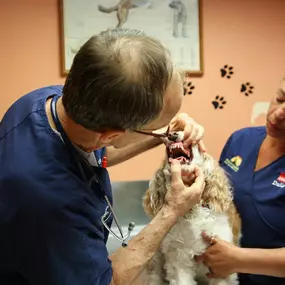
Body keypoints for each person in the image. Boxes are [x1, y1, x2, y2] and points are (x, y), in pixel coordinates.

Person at [0, 28, 206, 285]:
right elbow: (106, 281)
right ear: (110, 135)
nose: (158, 131)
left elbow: (100, 151)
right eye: (154, 127)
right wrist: (172, 210)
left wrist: (165, 135)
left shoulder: (57, 101)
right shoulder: (51, 204)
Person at [197, 77, 285, 285]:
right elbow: (217, 200)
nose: (279, 113)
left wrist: (238, 259)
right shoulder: (241, 139)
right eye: (280, 98)